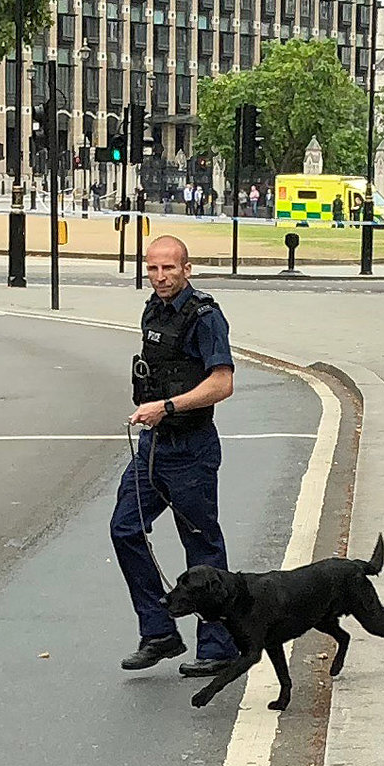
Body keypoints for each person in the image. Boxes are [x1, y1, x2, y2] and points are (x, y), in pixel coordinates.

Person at [113, 232, 241, 676]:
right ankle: (160, 631)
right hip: (153, 447)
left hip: (191, 450)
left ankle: (219, 645)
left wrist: (166, 407)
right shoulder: (153, 308)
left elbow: (221, 383)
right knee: (124, 528)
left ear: (187, 269)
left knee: (201, 547)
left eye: (169, 268)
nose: (160, 276)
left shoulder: (204, 316)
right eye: (153, 268)